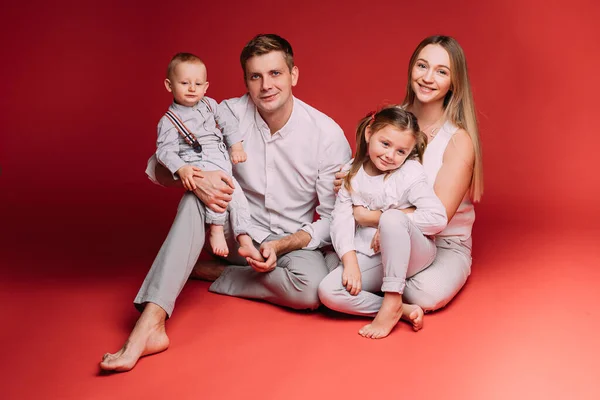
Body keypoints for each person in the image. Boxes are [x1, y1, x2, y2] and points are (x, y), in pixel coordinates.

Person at [99, 34, 351, 372]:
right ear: (245, 80)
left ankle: (213, 272)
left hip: (290, 244)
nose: (266, 85)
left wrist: (286, 243)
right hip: (230, 233)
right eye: (255, 76)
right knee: (198, 194)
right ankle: (150, 325)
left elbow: (334, 217)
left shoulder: (326, 133)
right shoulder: (222, 113)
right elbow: (157, 170)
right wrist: (195, 179)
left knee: (309, 291)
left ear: (293, 75)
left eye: (275, 74)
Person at [333, 35, 484, 333]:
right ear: (411, 69)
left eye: (441, 71)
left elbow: (437, 218)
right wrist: (350, 180)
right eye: (422, 66)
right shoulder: (394, 120)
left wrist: (371, 217)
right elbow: (368, 173)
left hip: (442, 243)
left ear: (454, 82)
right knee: (337, 275)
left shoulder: (458, 140)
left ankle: (392, 289)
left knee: (422, 292)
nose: (428, 78)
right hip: (386, 236)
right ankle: (394, 302)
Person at [318, 106, 447, 339]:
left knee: (392, 218)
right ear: (369, 133)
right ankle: (398, 309)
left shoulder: (409, 173)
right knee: (328, 291)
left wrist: (390, 223)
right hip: (374, 256)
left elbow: (437, 218)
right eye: (385, 144)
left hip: (415, 253)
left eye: (401, 151)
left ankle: (393, 299)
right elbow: (341, 220)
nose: (390, 155)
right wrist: (349, 261)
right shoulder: (351, 172)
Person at [156, 52, 256, 258]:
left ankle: (244, 237)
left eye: (198, 84)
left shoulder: (211, 104)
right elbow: (164, 151)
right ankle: (216, 230)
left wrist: (236, 146)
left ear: (206, 87)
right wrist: (181, 168)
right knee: (217, 196)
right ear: (169, 85)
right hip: (198, 163)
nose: (192, 88)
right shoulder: (169, 120)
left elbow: (228, 123)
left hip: (221, 160)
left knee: (238, 199)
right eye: (185, 83)